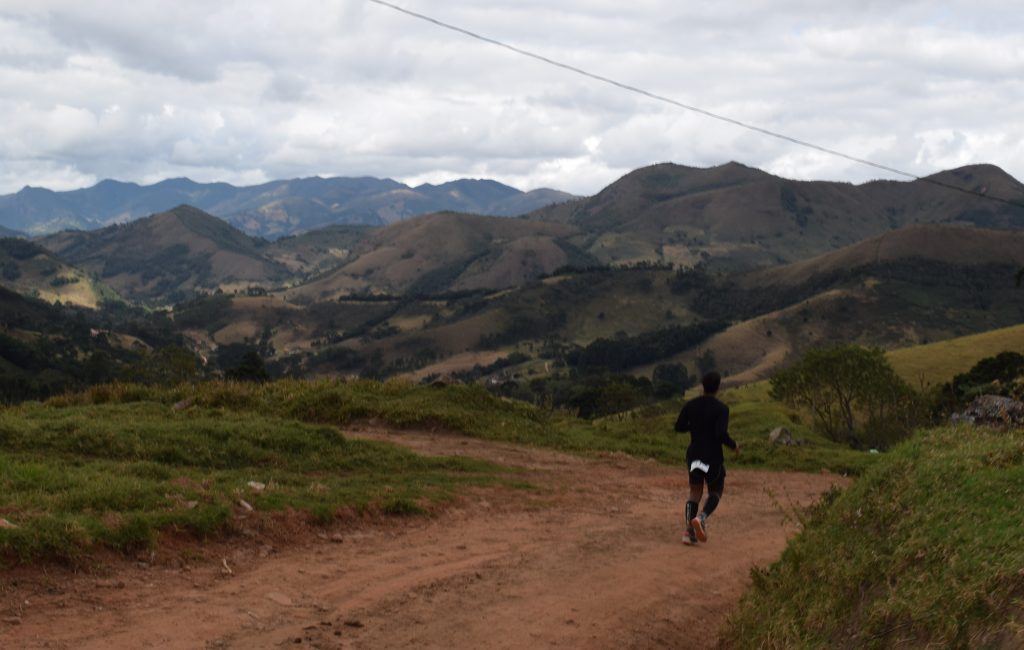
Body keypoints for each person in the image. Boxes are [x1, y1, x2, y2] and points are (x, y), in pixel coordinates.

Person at [674, 371, 739, 544]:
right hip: (712, 458)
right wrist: (733, 445)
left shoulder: (691, 405)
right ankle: (702, 518)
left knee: (694, 493)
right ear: (717, 387)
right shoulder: (722, 409)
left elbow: (679, 426)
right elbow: (720, 434)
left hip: (694, 456)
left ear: (703, 386)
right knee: (716, 491)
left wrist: (694, 427)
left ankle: (688, 532)